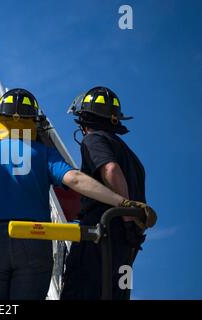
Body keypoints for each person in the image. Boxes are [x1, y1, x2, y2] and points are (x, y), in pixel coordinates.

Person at [0, 88, 155, 300]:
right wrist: (124, 203)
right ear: (34, 121)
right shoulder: (43, 153)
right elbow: (75, 179)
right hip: (33, 238)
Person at [61, 86, 157, 300]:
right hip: (126, 245)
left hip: (101, 233)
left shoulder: (93, 139)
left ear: (84, 118)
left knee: (81, 292)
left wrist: (126, 216)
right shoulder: (133, 158)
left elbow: (110, 169)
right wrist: (131, 227)